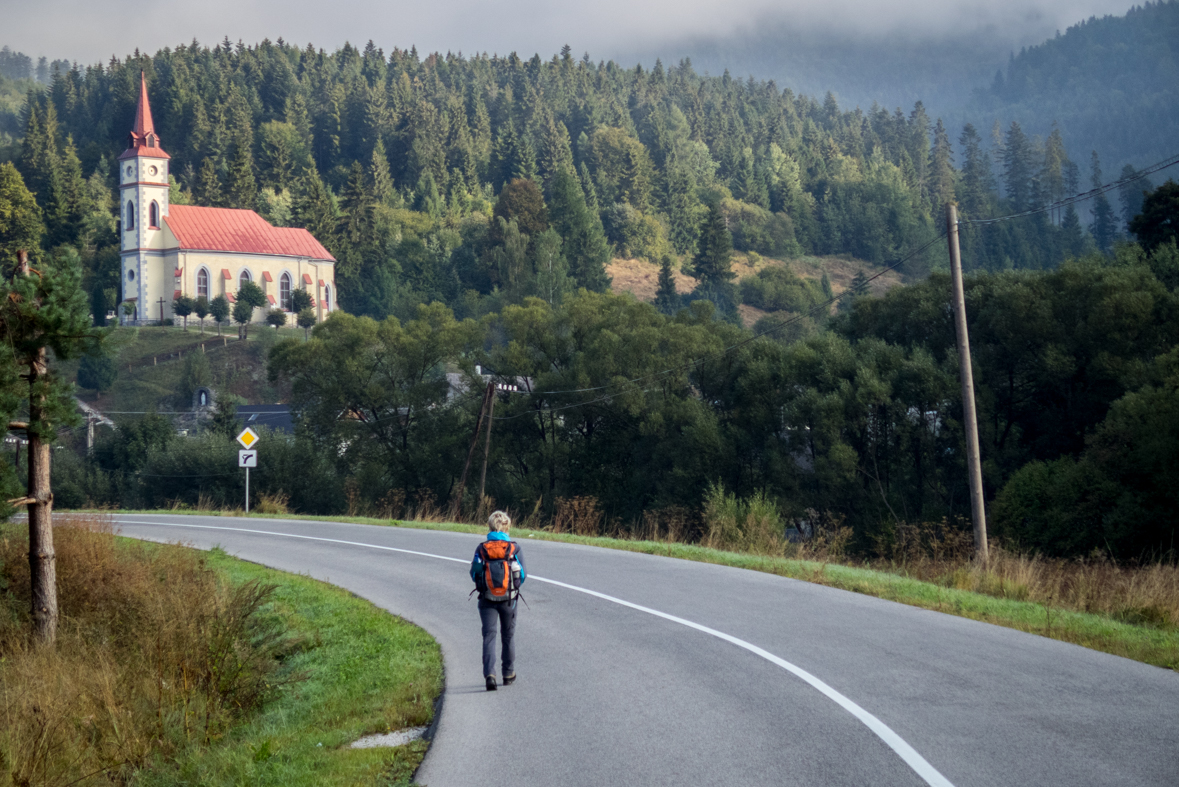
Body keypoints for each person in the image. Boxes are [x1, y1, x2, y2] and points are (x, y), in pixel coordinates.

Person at [470, 510, 526, 691]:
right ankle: (508, 674)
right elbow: (523, 576)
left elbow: (474, 574)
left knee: (489, 636)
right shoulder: (514, 548)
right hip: (509, 600)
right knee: (508, 636)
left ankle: (490, 675)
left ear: (490, 526)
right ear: (507, 527)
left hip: (487, 599)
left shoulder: (481, 548)